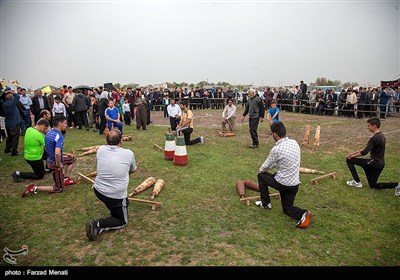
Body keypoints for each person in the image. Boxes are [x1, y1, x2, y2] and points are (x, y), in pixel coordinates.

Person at [256, 122, 312, 229]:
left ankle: (266, 203)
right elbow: (283, 161)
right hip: (294, 185)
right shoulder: (294, 142)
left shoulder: (276, 149)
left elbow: (265, 166)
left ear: (275, 135)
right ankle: (304, 213)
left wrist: (263, 169)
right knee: (287, 208)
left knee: (261, 176)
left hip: (282, 184)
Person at [86, 129, 137, 241]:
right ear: (121, 140)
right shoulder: (128, 153)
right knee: (121, 221)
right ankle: (97, 224)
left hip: (98, 190)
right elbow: (133, 169)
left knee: (115, 204)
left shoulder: (100, 149)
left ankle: (117, 207)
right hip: (116, 195)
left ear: (106, 140)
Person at [21, 115, 79, 197]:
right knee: (59, 188)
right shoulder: (59, 136)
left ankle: (66, 179)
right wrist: (59, 165)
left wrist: (66, 154)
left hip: (51, 159)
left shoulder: (49, 133)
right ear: (59, 124)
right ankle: (34, 188)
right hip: (54, 162)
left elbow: (51, 149)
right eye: (65, 123)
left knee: (71, 159)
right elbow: (57, 153)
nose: (66, 125)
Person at [346, 117, 400, 196]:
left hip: (373, 163)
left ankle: (357, 182)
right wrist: (353, 153)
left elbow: (364, 152)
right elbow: (365, 149)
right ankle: (397, 184)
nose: (368, 128)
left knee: (349, 160)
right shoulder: (381, 136)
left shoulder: (374, 138)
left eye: (369, 126)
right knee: (373, 185)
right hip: (380, 164)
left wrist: (351, 156)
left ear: (374, 126)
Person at [1, 89, 22, 156]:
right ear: (11, 97)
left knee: (9, 137)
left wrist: (4, 94)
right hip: (14, 123)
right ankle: (14, 151)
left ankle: (7, 149)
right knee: (15, 138)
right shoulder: (11, 103)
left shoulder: (3, 104)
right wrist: (11, 92)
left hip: (8, 123)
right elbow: (17, 96)